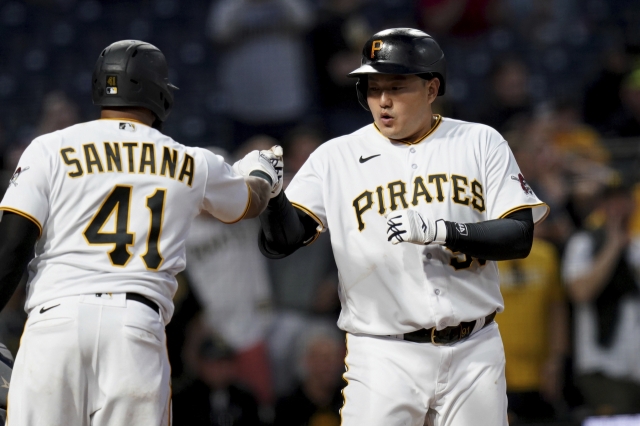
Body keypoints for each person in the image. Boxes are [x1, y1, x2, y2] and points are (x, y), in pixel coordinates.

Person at [258, 28, 548, 425]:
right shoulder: (336, 156)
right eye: (373, 88)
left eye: (396, 86)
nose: (383, 100)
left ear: (431, 89)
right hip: (383, 354)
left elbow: (518, 236)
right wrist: (273, 197)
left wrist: (442, 230)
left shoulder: (479, 141)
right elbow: (281, 241)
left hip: (473, 348)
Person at [0, 40, 282, 425]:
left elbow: (12, 246)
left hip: (54, 324)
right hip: (134, 329)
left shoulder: (48, 148)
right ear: (160, 94)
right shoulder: (190, 160)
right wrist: (263, 170)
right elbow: (251, 201)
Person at [562, 183, 640, 415]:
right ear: (600, 207)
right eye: (611, 203)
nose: (618, 209)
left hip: (635, 365)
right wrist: (613, 246)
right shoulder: (583, 243)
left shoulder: (636, 248)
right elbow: (581, 292)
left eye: (622, 201)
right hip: (602, 364)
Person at [497, 237, 568, 423]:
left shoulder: (546, 254)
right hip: (496, 374)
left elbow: (557, 310)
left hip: (541, 375)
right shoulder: (481, 258)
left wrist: (556, 360)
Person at [172, 335, 262, 426]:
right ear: (200, 364)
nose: (219, 370)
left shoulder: (245, 399)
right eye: (213, 364)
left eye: (224, 363)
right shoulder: (183, 401)